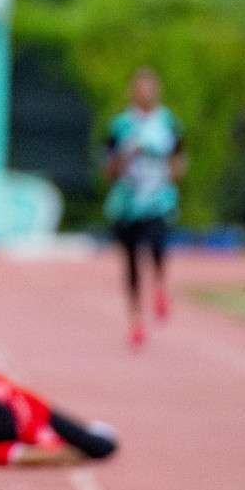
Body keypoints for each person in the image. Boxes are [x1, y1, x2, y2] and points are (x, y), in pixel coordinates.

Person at [103, 66, 185, 350]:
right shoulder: (120, 126)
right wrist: (127, 156)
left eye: (149, 88)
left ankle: (160, 286)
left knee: (157, 249)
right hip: (126, 205)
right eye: (139, 88)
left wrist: (168, 175)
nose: (144, 93)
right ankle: (136, 320)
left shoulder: (168, 123)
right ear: (132, 92)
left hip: (158, 201)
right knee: (132, 264)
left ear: (157, 91)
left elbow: (179, 160)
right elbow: (108, 169)